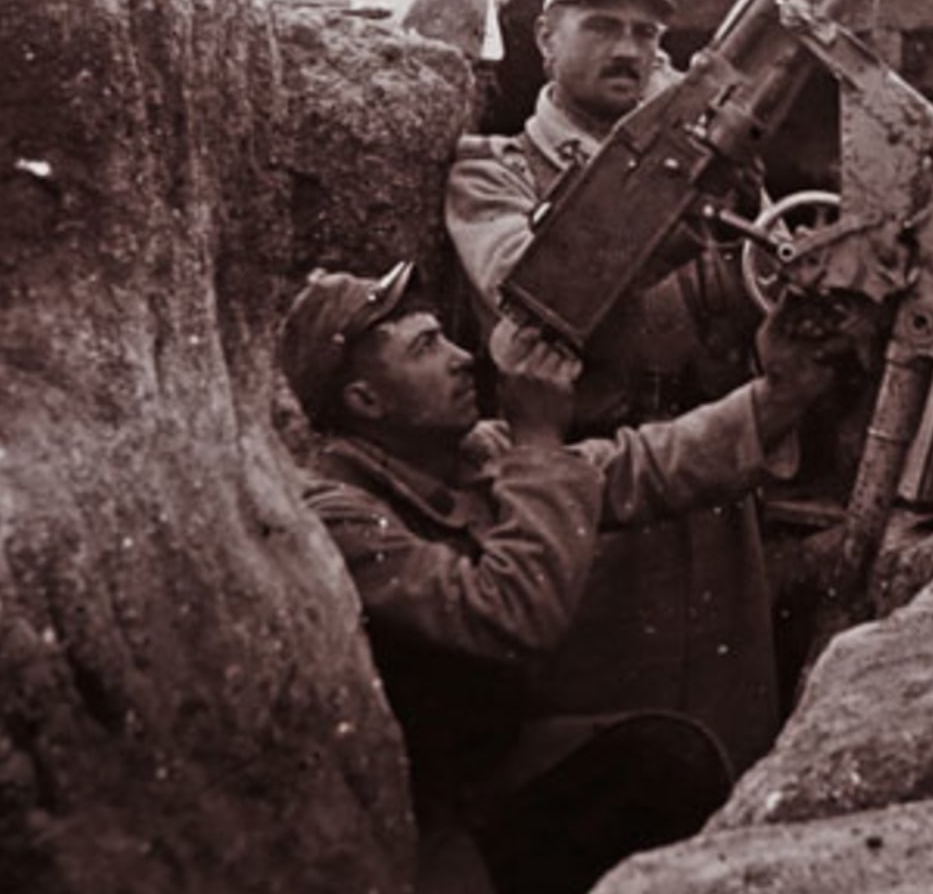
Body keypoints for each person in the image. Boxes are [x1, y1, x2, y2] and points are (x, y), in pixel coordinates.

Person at [277, 260, 841, 894]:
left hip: (487, 763)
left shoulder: (465, 455)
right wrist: (539, 436)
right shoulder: (335, 515)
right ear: (365, 401)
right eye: (426, 347)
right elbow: (507, 616)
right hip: (415, 814)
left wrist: (780, 395)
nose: (465, 358)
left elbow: (635, 467)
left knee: (669, 761)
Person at [444, 0, 789, 771]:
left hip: (709, 496)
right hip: (581, 503)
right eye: (602, 25)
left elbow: (745, 302)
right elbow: (536, 290)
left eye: (645, 33)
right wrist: (663, 189)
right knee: (595, 764)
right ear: (546, 43)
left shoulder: (702, 177)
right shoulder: (494, 173)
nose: (629, 49)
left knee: (724, 752)